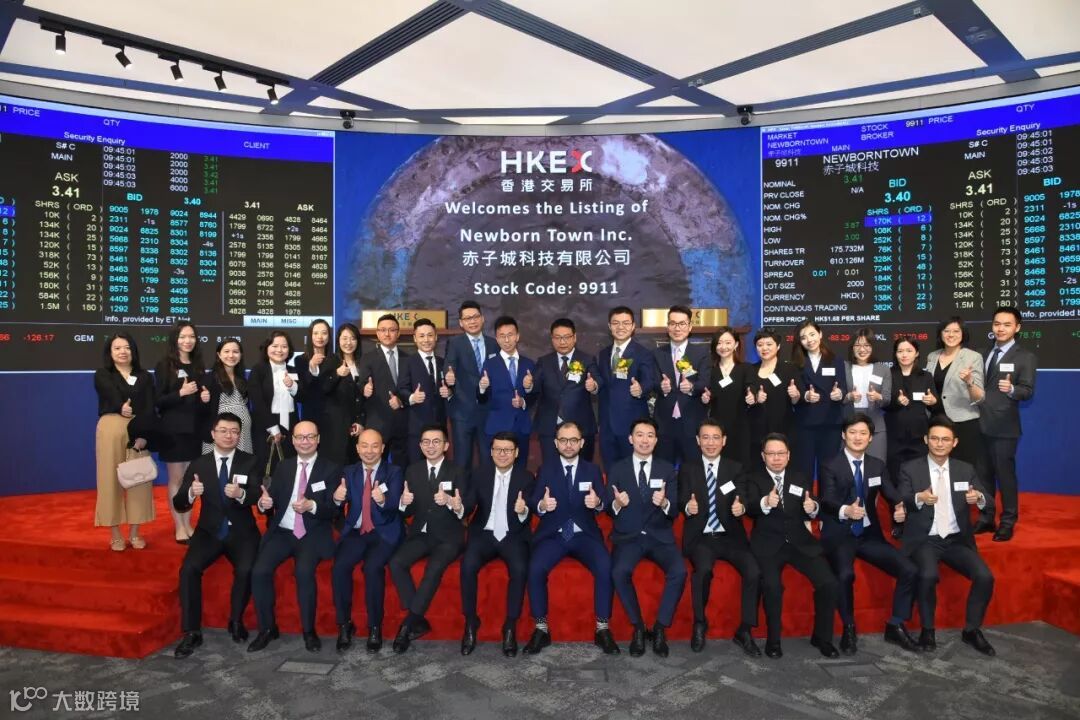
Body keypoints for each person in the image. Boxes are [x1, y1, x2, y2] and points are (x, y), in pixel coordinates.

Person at [819, 414, 920, 655]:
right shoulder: (830, 465)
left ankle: (895, 624)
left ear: (871, 438)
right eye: (852, 432)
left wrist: (901, 506)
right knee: (845, 574)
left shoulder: (877, 465)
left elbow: (892, 494)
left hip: (868, 534)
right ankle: (849, 627)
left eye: (863, 433)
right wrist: (846, 510)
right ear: (843, 435)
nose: (858, 437)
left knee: (909, 569)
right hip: (840, 533)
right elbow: (827, 499)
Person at [897, 417, 996, 656]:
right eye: (934, 439)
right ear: (926, 440)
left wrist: (979, 498)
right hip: (925, 539)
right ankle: (927, 630)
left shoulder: (965, 469)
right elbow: (902, 499)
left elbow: (989, 501)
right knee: (928, 575)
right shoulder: (910, 468)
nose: (939, 444)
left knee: (985, 577)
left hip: (956, 540)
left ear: (955, 442)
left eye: (945, 439)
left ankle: (971, 630)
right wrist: (919, 498)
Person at [523, 421, 619, 656]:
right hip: (553, 535)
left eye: (573, 440)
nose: (568, 445)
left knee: (605, 566)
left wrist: (597, 503)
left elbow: (605, 503)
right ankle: (541, 628)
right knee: (534, 568)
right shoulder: (546, 469)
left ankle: (602, 628)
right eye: (564, 440)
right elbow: (534, 502)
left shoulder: (592, 470)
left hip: (584, 534)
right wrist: (542, 505)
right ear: (556, 443)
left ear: (582, 443)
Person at [172, 413, 260, 658]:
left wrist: (241, 495)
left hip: (242, 530)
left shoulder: (250, 461)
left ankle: (236, 620)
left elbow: (257, 494)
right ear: (213, 434)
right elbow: (179, 502)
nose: (229, 435)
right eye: (223, 431)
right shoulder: (199, 464)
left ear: (239, 435)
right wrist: (191, 492)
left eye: (234, 431)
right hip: (209, 531)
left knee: (246, 569)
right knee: (188, 569)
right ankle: (192, 631)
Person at [248, 421, 340, 653]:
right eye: (300, 437)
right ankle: (267, 628)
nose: (304, 442)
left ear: (318, 439)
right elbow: (271, 499)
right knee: (259, 571)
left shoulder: (331, 469)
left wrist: (312, 506)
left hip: (312, 532)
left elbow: (334, 510)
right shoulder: (284, 467)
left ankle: (309, 631)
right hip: (283, 531)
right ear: (293, 440)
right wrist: (264, 503)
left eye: (310, 437)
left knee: (304, 572)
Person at [744, 433, 840, 659]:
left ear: (788, 455)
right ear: (763, 456)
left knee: (828, 582)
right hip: (768, 543)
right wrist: (765, 502)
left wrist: (812, 508)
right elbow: (749, 507)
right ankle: (773, 640)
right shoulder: (753, 478)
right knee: (773, 587)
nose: (776, 458)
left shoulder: (799, 476)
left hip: (799, 541)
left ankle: (822, 637)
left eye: (781, 453)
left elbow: (812, 502)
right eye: (771, 454)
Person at [677, 418, 760, 655]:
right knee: (702, 571)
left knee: (754, 571)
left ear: (724, 441)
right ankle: (699, 623)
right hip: (701, 537)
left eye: (715, 438)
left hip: (730, 535)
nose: (710, 443)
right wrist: (688, 507)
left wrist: (741, 507)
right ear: (698, 441)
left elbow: (743, 495)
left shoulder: (735, 468)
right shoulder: (688, 468)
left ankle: (745, 630)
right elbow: (681, 498)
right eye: (705, 437)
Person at [606, 418, 685, 657]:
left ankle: (660, 628)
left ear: (656, 440)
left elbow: (674, 510)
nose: (645, 440)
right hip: (629, 537)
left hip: (659, 536)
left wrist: (665, 502)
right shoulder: (617, 468)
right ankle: (638, 627)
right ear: (631, 439)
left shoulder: (667, 469)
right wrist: (617, 504)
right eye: (639, 435)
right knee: (619, 572)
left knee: (679, 571)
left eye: (650, 435)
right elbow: (608, 509)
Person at [388, 424, 470, 653]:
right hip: (421, 533)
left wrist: (455, 504)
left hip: (448, 536)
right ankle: (418, 620)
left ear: (446, 445)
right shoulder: (412, 471)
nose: (430, 446)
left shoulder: (458, 471)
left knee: (433, 568)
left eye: (436, 442)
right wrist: (403, 502)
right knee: (396, 563)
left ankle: (408, 623)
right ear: (420, 445)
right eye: (426, 442)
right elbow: (408, 511)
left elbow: (466, 507)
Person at [459, 432, 535, 657]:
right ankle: (470, 622)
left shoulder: (526, 477)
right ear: (491, 452)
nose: (502, 454)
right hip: (484, 532)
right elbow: (469, 504)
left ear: (516, 453)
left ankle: (510, 625)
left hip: (513, 534)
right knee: (467, 566)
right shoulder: (480, 474)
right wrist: (459, 507)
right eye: (498, 449)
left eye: (508, 450)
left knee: (520, 569)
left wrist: (523, 510)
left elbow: (529, 511)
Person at [331, 429, 404, 654]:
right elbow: (337, 502)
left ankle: (374, 627)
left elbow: (396, 505)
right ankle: (344, 625)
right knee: (339, 567)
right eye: (364, 445)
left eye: (374, 446)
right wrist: (337, 498)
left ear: (382, 448)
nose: (369, 451)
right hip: (356, 531)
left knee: (372, 568)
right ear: (357, 448)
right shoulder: (349, 471)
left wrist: (383, 501)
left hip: (384, 531)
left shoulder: (394, 471)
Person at [978, 305, 1037, 542]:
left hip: (1004, 427)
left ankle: (1008, 521)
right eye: (997, 324)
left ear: (1017, 328)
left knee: (1005, 476)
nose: (1000, 329)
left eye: (1007, 324)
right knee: (982, 476)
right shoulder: (982, 353)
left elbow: (1027, 391)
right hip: (978, 423)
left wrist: (1012, 389)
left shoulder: (1025, 357)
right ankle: (986, 517)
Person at [94, 333, 156, 551]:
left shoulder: (145, 376)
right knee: (109, 480)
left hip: (138, 430)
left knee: (139, 480)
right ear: (110, 352)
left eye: (127, 347)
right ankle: (115, 534)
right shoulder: (103, 374)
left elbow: (149, 406)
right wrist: (120, 407)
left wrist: (144, 434)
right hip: (111, 427)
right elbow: (110, 394)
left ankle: (135, 532)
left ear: (134, 351)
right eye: (117, 348)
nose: (123, 352)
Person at [155, 322, 209, 544]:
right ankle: (179, 526)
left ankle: (188, 523)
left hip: (194, 431)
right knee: (176, 479)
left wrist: (204, 398)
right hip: (174, 431)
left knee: (190, 479)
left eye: (192, 336)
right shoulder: (164, 365)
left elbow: (199, 401)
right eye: (183, 336)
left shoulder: (198, 366)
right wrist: (181, 392)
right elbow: (159, 401)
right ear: (175, 339)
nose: (188, 341)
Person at [924, 317, 987, 498]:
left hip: (963, 423)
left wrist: (969, 381)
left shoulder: (973, 357)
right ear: (940, 334)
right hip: (936, 420)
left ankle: (960, 509)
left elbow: (979, 397)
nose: (951, 335)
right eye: (946, 331)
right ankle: (940, 506)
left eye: (956, 331)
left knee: (962, 470)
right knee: (937, 468)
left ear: (963, 334)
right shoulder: (932, 356)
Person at [593, 306, 656, 471]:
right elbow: (602, 383)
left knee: (633, 472)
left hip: (631, 425)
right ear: (609, 326)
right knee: (611, 471)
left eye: (626, 323)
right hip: (607, 426)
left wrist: (641, 389)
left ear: (633, 326)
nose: (620, 327)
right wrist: (594, 386)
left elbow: (650, 380)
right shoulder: (603, 354)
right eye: (616, 323)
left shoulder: (643, 353)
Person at [534, 318, 598, 466]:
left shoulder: (587, 359)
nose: (562, 342)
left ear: (574, 337)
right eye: (558, 337)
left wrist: (594, 385)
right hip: (550, 427)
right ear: (552, 339)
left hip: (581, 427)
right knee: (551, 469)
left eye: (567, 337)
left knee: (582, 470)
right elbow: (534, 389)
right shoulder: (543, 361)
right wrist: (529, 385)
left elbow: (598, 380)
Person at [652, 305, 710, 466]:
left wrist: (692, 387)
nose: (677, 328)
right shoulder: (657, 353)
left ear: (690, 326)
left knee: (693, 471)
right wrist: (661, 387)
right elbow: (652, 382)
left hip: (692, 422)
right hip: (664, 424)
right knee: (663, 470)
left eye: (682, 324)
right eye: (673, 323)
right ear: (667, 326)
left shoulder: (702, 353)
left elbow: (705, 381)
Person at [444, 301, 499, 468]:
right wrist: (448, 377)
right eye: (467, 318)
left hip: (488, 412)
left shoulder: (494, 344)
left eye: (475, 317)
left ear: (482, 318)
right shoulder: (455, 343)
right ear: (461, 323)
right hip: (463, 412)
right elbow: (449, 366)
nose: (472, 321)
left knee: (488, 461)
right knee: (462, 462)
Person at [477, 316, 537, 468]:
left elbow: (535, 396)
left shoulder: (529, 364)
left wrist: (526, 394)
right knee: (495, 472)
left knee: (520, 470)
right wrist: (482, 387)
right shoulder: (489, 364)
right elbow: (482, 399)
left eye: (510, 335)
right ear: (497, 339)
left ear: (517, 336)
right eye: (502, 336)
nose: (507, 340)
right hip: (497, 428)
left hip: (521, 427)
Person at [884, 338, 935, 513]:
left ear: (917, 353)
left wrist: (932, 401)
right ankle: (897, 517)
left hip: (919, 437)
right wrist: (896, 401)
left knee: (919, 478)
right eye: (900, 351)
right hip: (894, 436)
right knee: (895, 479)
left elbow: (935, 405)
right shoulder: (888, 374)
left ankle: (918, 518)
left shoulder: (926, 376)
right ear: (895, 354)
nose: (904, 355)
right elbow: (883, 403)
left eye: (909, 351)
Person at [791, 319, 847, 480]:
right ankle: (806, 497)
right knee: (804, 470)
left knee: (828, 471)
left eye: (812, 334)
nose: (809, 340)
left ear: (820, 334)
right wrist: (805, 396)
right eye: (803, 337)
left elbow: (843, 387)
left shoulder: (836, 360)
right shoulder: (795, 363)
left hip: (830, 423)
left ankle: (827, 498)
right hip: (805, 423)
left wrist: (839, 393)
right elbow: (796, 391)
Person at [248, 331, 304, 481]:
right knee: (266, 469)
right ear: (267, 348)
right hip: (266, 426)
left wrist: (292, 386)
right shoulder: (258, 370)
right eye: (275, 346)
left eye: (284, 346)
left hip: (291, 426)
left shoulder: (293, 370)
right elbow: (257, 401)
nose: (279, 350)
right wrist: (273, 427)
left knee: (290, 468)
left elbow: (302, 396)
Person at [356, 314, 410, 468]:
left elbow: (410, 388)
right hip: (378, 423)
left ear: (398, 333)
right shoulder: (367, 358)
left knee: (402, 467)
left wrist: (402, 401)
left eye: (392, 330)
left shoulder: (408, 358)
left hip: (403, 423)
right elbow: (362, 384)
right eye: (383, 330)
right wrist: (365, 389)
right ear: (377, 333)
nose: (387, 334)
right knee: (376, 468)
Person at [745, 328, 801, 468]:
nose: (764, 348)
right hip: (756, 432)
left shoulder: (789, 369)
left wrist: (795, 395)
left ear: (778, 346)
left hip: (783, 430)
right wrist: (753, 400)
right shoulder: (750, 370)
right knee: (757, 470)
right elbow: (746, 398)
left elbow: (797, 400)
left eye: (769, 344)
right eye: (760, 345)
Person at [398, 318, 449, 464]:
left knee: (439, 467)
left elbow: (450, 389)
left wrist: (449, 393)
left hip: (439, 426)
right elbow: (401, 388)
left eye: (430, 335)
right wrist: (412, 397)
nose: (426, 340)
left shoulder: (443, 362)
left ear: (436, 337)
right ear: (415, 338)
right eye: (421, 336)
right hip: (416, 426)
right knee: (416, 467)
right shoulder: (407, 362)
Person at [700, 327, 752, 464]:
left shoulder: (746, 368)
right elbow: (705, 393)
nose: (723, 347)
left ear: (736, 344)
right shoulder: (710, 370)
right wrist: (705, 399)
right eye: (719, 343)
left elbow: (751, 389)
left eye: (728, 342)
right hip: (717, 428)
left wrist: (752, 397)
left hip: (740, 426)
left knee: (741, 464)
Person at [842, 328, 891, 463]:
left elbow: (887, 399)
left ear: (873, 347)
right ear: (852, 348)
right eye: (857, 345)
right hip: (850, 423)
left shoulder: (883, 369)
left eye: (866, 345)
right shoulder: (844, 367)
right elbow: (837, 396)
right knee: (848, 466)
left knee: (877, 465)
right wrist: (849, 397)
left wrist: (878, 397)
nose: (862, 349)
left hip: (876, 425)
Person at [320, 323, 362, 466]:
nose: (348, 343)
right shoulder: (330, 361)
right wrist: (336, 374)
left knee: (355, 466)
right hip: (336, 426)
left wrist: (361, 421)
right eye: (344, 338)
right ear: (338, 340)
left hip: (357, 426)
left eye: (352, 338)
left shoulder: (363, 362)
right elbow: (323, 388)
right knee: (336, 465)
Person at [201, 338, 252, 455]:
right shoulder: (210, 378)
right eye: (226, 351)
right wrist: (203, 399)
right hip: (220, 433)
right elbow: (201, 411)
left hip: (243, 433)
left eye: (235, 352)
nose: (231, 355)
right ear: (219, 355)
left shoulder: (242, 379)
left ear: (240, 355)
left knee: (242, 463)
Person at [296, 318, 332, 428]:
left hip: (332, 417)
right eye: (315, 333)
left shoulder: (335, 360)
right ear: (310, 336)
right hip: (310, 415)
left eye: (324, 333)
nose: (320, 337)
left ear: (329, 336)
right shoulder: (301, 360)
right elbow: (301, 391)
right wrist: (311, 367)